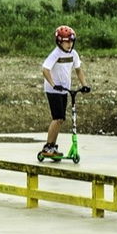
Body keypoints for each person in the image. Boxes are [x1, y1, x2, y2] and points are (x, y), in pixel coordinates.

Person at [37, 24, 90, 161]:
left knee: (61, 119)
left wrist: (84, 85)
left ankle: (53, 146)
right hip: (53, 89)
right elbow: (45, 69)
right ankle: (48, 146)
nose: (69, 44)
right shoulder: (55, 54)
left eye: (71, 41)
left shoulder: (73, 54)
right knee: (57, 118)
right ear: (59, 41)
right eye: (67, 41)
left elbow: (78, 70)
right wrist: (54, 85)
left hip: (64, 90)